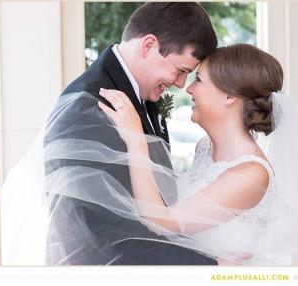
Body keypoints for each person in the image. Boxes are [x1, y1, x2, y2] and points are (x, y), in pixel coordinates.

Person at [95, 44, 298, 265]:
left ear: (229, 96)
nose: (189, 89)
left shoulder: (251, 174)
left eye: (199, 80)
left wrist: (135, 139)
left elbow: (162, 222)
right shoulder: (204, 147)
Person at [43, 2, 218, 265]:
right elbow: (97, 234)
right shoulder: (87, 108)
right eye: (181, 71)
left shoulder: (139, 93)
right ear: (149, 45)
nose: (181, 85)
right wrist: (208, 267)